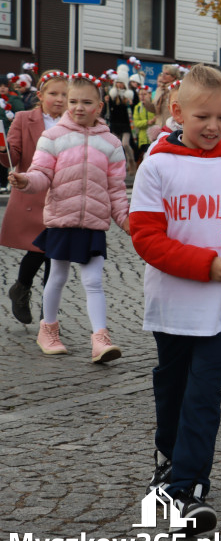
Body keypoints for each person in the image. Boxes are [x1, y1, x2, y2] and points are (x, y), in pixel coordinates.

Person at [129, 64, 221, 536]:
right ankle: (170, 460)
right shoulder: (157, 164)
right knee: (171, 386)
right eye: (202, 117)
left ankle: (189, 488)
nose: (214, 127)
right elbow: (146, 238)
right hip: (171, 302)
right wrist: (203, 263)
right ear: (177, 113)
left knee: (202, 393)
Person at [9, 73, 130, 361]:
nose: (77, 107)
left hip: (94, 224)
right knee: (57, 276)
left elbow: (116, 190)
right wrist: (27, 181)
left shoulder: (111, 143)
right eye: (72, 101)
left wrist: (127, 221)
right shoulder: (52, 137)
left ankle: (100, 338)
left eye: (86, 102)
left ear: (98, 107)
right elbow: (42, 174)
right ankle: (48, 329)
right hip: (62, 219)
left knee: (93, 281)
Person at [1, 70, 68, 324]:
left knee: (56, 253)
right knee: (40, 249)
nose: (59, 99)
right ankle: (22, 287)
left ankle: (47, 315)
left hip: (62, 196)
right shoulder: (23, 118)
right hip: (33, 192)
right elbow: (12, 157)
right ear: (40, 95)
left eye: (64, 94)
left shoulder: (73, 121)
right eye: (53, 93)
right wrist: (2, 149)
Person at [105, 65, 137, 176]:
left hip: (126, 124)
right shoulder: (112, 94)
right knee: (115, 146)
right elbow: (108, 110)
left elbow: (135, 109)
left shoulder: (131, 94)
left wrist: (131, 104)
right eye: (117, 82)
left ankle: (132, 161)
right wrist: (107, 101)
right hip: (115, 123)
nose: (119, 84)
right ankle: (118, 166)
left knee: (125, 144)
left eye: (121, 82)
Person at [140, 64, 181, 141]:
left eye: (167, 74)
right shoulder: (159, 89)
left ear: (174, 76)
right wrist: (146, 101)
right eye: (163, 73)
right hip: (159, 126)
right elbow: (155, 110)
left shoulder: (177, 89)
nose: (163, 76)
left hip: (172, 127)